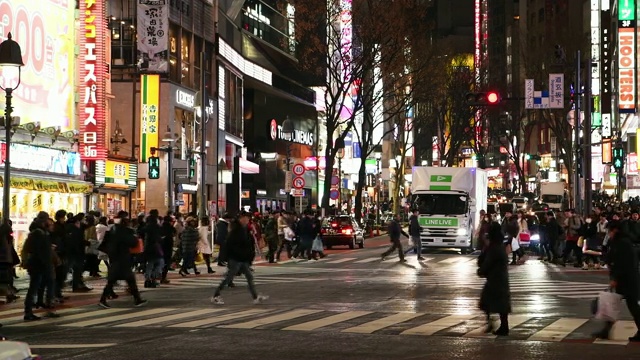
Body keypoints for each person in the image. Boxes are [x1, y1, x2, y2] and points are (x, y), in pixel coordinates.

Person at [593, 220, 640, 341]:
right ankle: (606, 331)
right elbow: (611, 257)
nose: (609, 233)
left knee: (632, 306)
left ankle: (606, 331)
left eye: (609, 231)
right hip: (625, 279)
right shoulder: (618, 242)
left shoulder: (623, 243)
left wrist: (615, 278)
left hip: (627, 280)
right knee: (613, 304)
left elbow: (623, 263)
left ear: (615, 230)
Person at [211, 212, 268, 305]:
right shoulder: (235, 230)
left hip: (242, 258)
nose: (247, 220)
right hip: (235, 258)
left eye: (248, 219)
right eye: (246, 218)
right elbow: (229, 244)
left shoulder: (243, 229)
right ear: (241, 218)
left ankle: (255, 296)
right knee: (229, 278)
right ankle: (216, 295)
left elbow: (248, 244)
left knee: (249, 277)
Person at [99, 211, 147, 309]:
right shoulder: (125, 232)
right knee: (121, 280)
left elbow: (105, 242)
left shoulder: (112, 229)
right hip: (122, 258)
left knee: (121, 280)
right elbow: (133, 243)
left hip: (114, 257)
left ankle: (137, 299)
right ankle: (103, 300)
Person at [477, 222, 511, 336]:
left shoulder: (494, 247)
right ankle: (502, 326)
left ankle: (500, 326)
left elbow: (487, 261)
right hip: (500, 278)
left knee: (488, 302)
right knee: (499, 304)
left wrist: (481, 271)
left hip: (495, 279)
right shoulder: (499, 245)